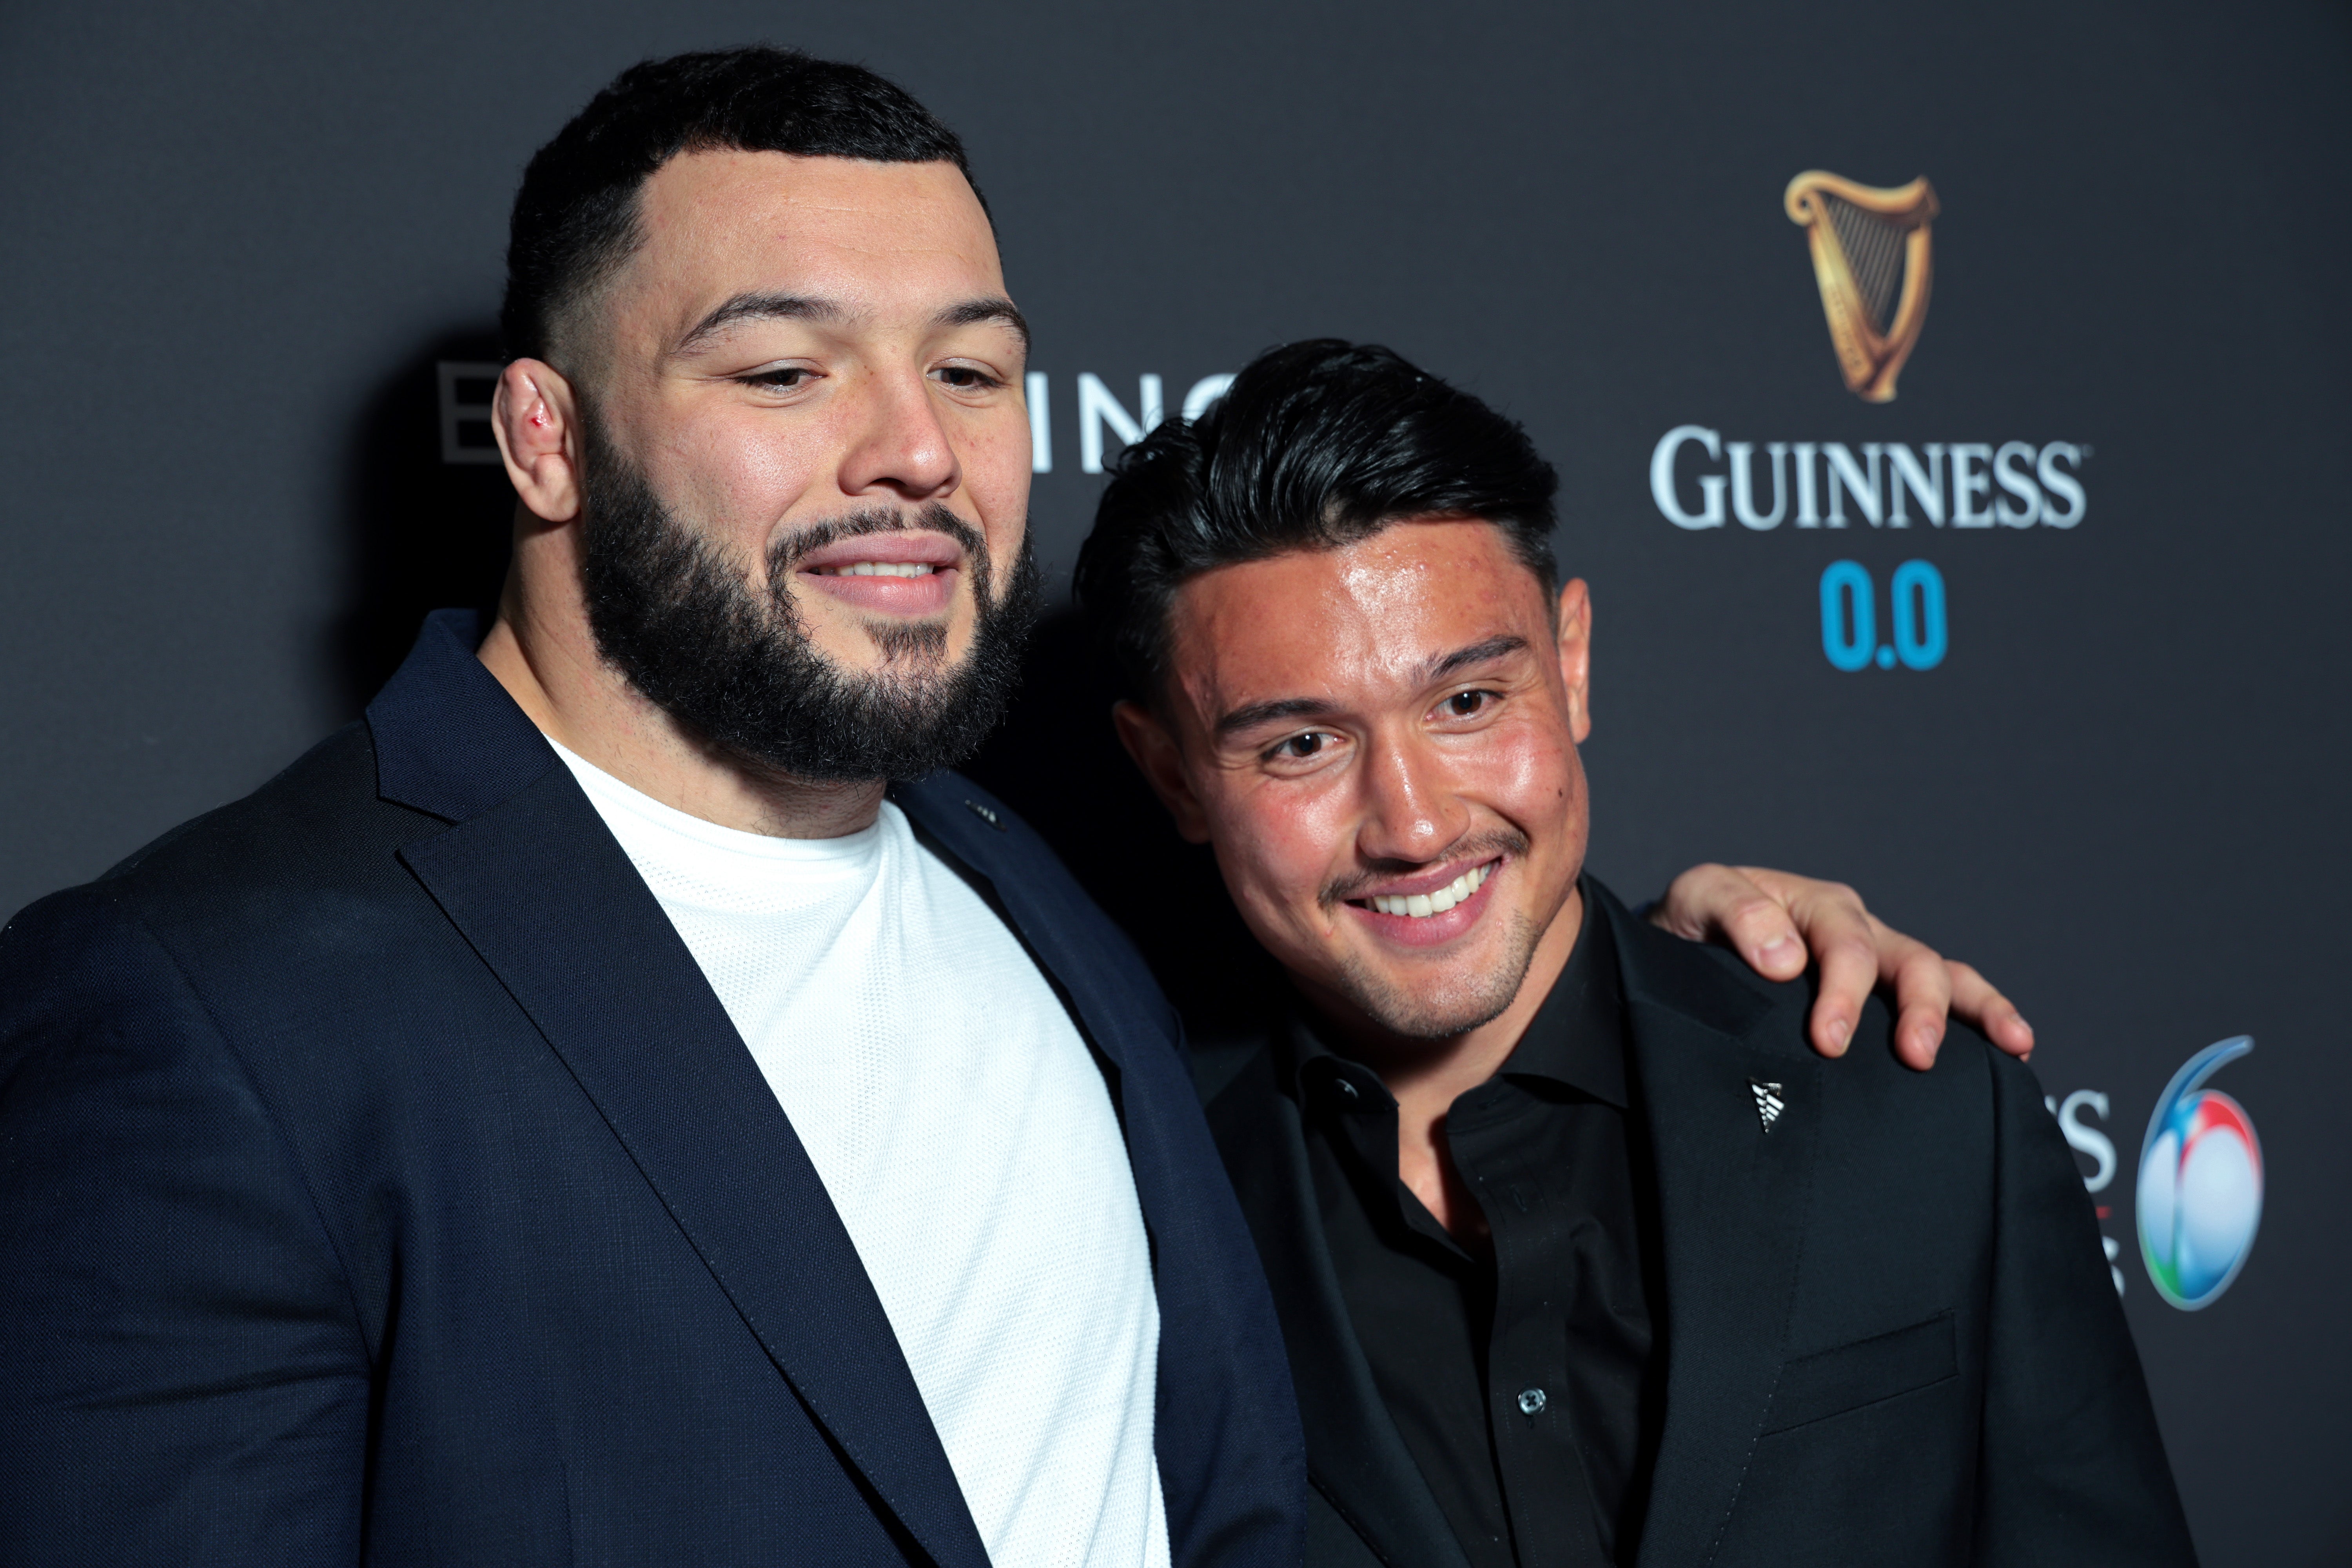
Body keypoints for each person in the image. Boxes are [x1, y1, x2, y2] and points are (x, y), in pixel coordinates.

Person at [0, 49, 2024, 1568]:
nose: (913, 453)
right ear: (546, 436)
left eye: (973, 373)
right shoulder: (210, 1002)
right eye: (783, 372)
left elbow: (1415, 906)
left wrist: (1708, 951)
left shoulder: (1031, 882)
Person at [1078, 340, 2197, 1568]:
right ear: (1172, 772)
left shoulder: (1922, 1114)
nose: (1414, 825)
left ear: (1572, 664)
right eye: (1299, 745)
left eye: (1466, 704)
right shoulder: (1114, 1204)